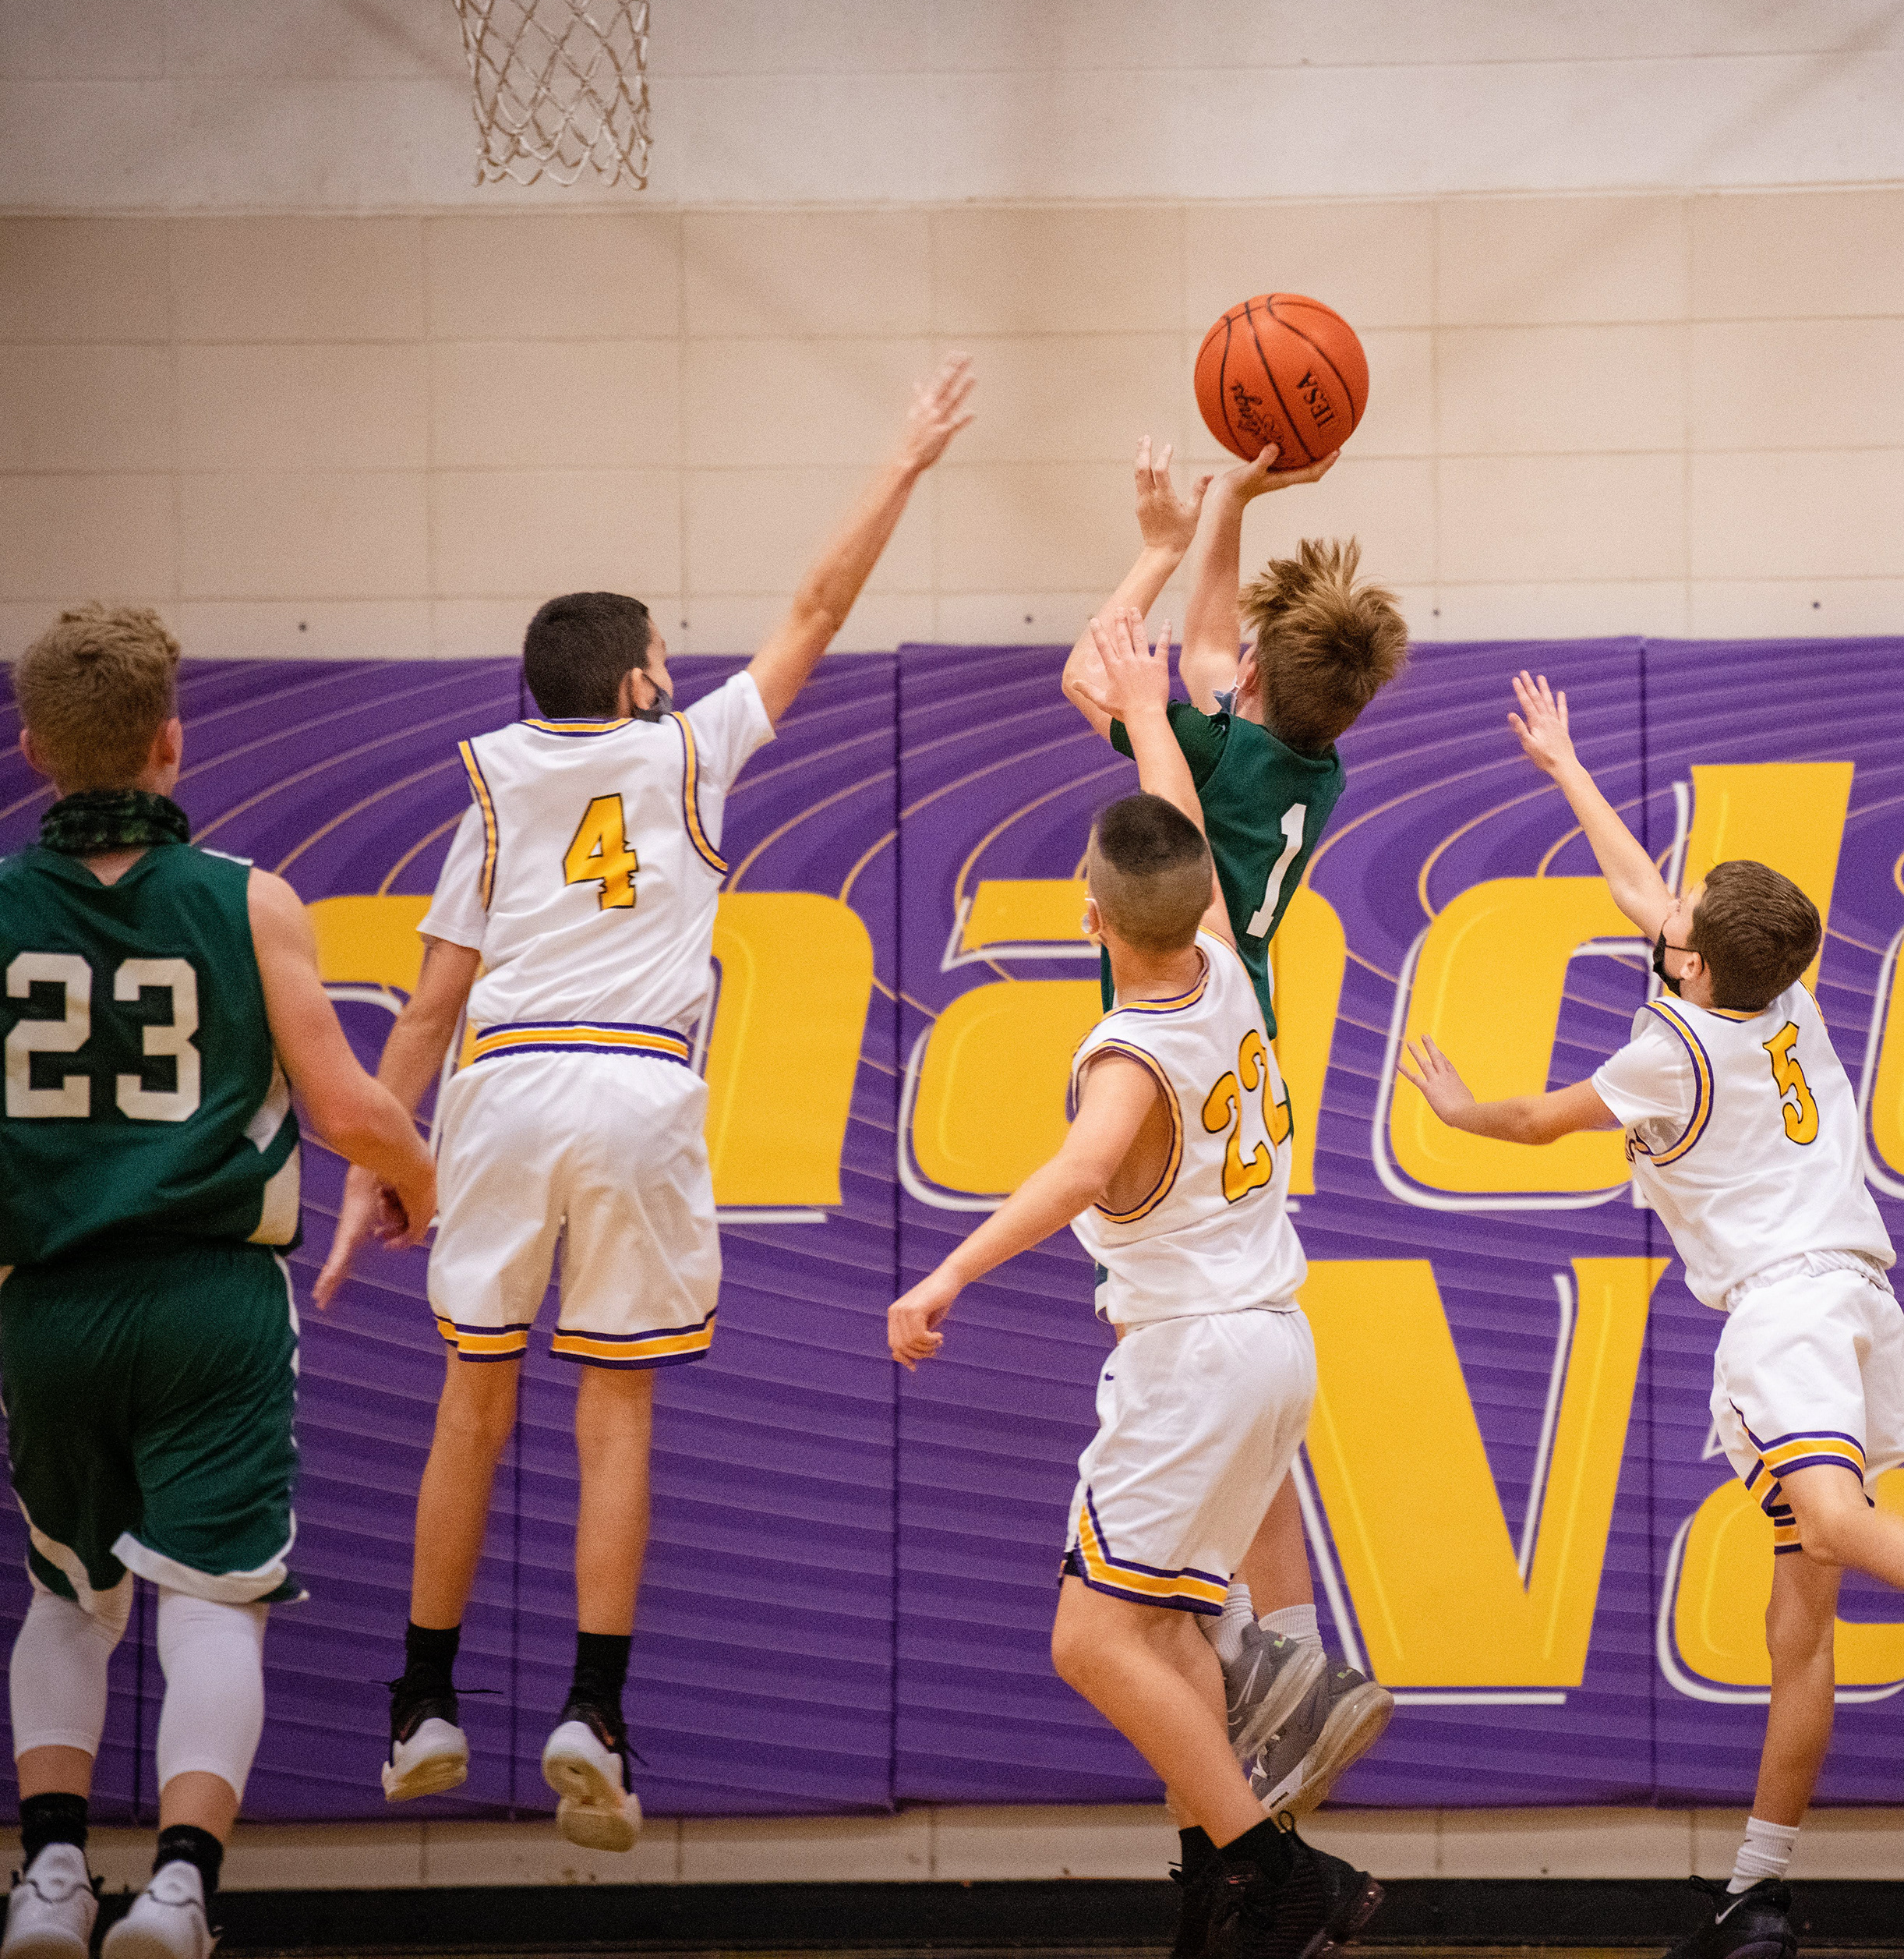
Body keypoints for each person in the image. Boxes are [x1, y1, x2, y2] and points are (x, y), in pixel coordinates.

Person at [313, 357, 974, 1851]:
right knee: (613, 1414)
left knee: (472, 1403)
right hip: (632, 1086)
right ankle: (593, 1716)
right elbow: (815, 609)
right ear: (634, 684)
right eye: (665, 657)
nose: (677, 673)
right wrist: (904, 462)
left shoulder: (492, 789)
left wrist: (374, 1161)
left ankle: (423, 1703)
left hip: (496, 1087)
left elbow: (422, 1011)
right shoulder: (688, 751)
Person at [1394, 672, 1904, 1959]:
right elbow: (1643, 895)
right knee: (1796, 1627)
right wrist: (1568, 767)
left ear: (1695, 963)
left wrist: (1455, 1107)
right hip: (1865, 1300)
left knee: (1831, 1520)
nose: (1669, 905)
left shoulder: (1674, 1051)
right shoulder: (1784, 997)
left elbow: (1536, 1122)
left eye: (1686, 911)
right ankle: (1756, 1894)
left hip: (1786, 1306)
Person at [892, 616, 1382, 1959]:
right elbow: (1179, 815)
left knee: (1090, 1641)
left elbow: (1073, 1176)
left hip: (1191, 1363)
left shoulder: (1128, 1050)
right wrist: (1152, 713)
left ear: (1090, 919)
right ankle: (1235, 1865)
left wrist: (943, 1275)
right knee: (1169, 1635)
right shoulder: (1225, 960)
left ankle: (1283, 1873)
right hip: (1271, 1344)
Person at [2, 606, 436, 1959]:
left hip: (48, 1305)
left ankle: (49, 1881)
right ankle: (180, 1890)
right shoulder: (250, 899)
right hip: (210, 1302)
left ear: (34, 749)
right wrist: (417, 1175)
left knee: (68, 1597)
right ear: (173, 742)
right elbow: (345, 1107)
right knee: (211, 1602)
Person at [1060, 437, 1409, 1823]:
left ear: (1249, 680)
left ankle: (1263, 1670)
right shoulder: (1314, 768)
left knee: (1188, 1320)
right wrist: (1226, 510)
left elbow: (1094, 672)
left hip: (1196, 1035)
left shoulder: (1204, 745)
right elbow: (1211, 648)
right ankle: (1291, 1648)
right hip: (1249, 1049)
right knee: (1240, 1320)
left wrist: (1155, 554)